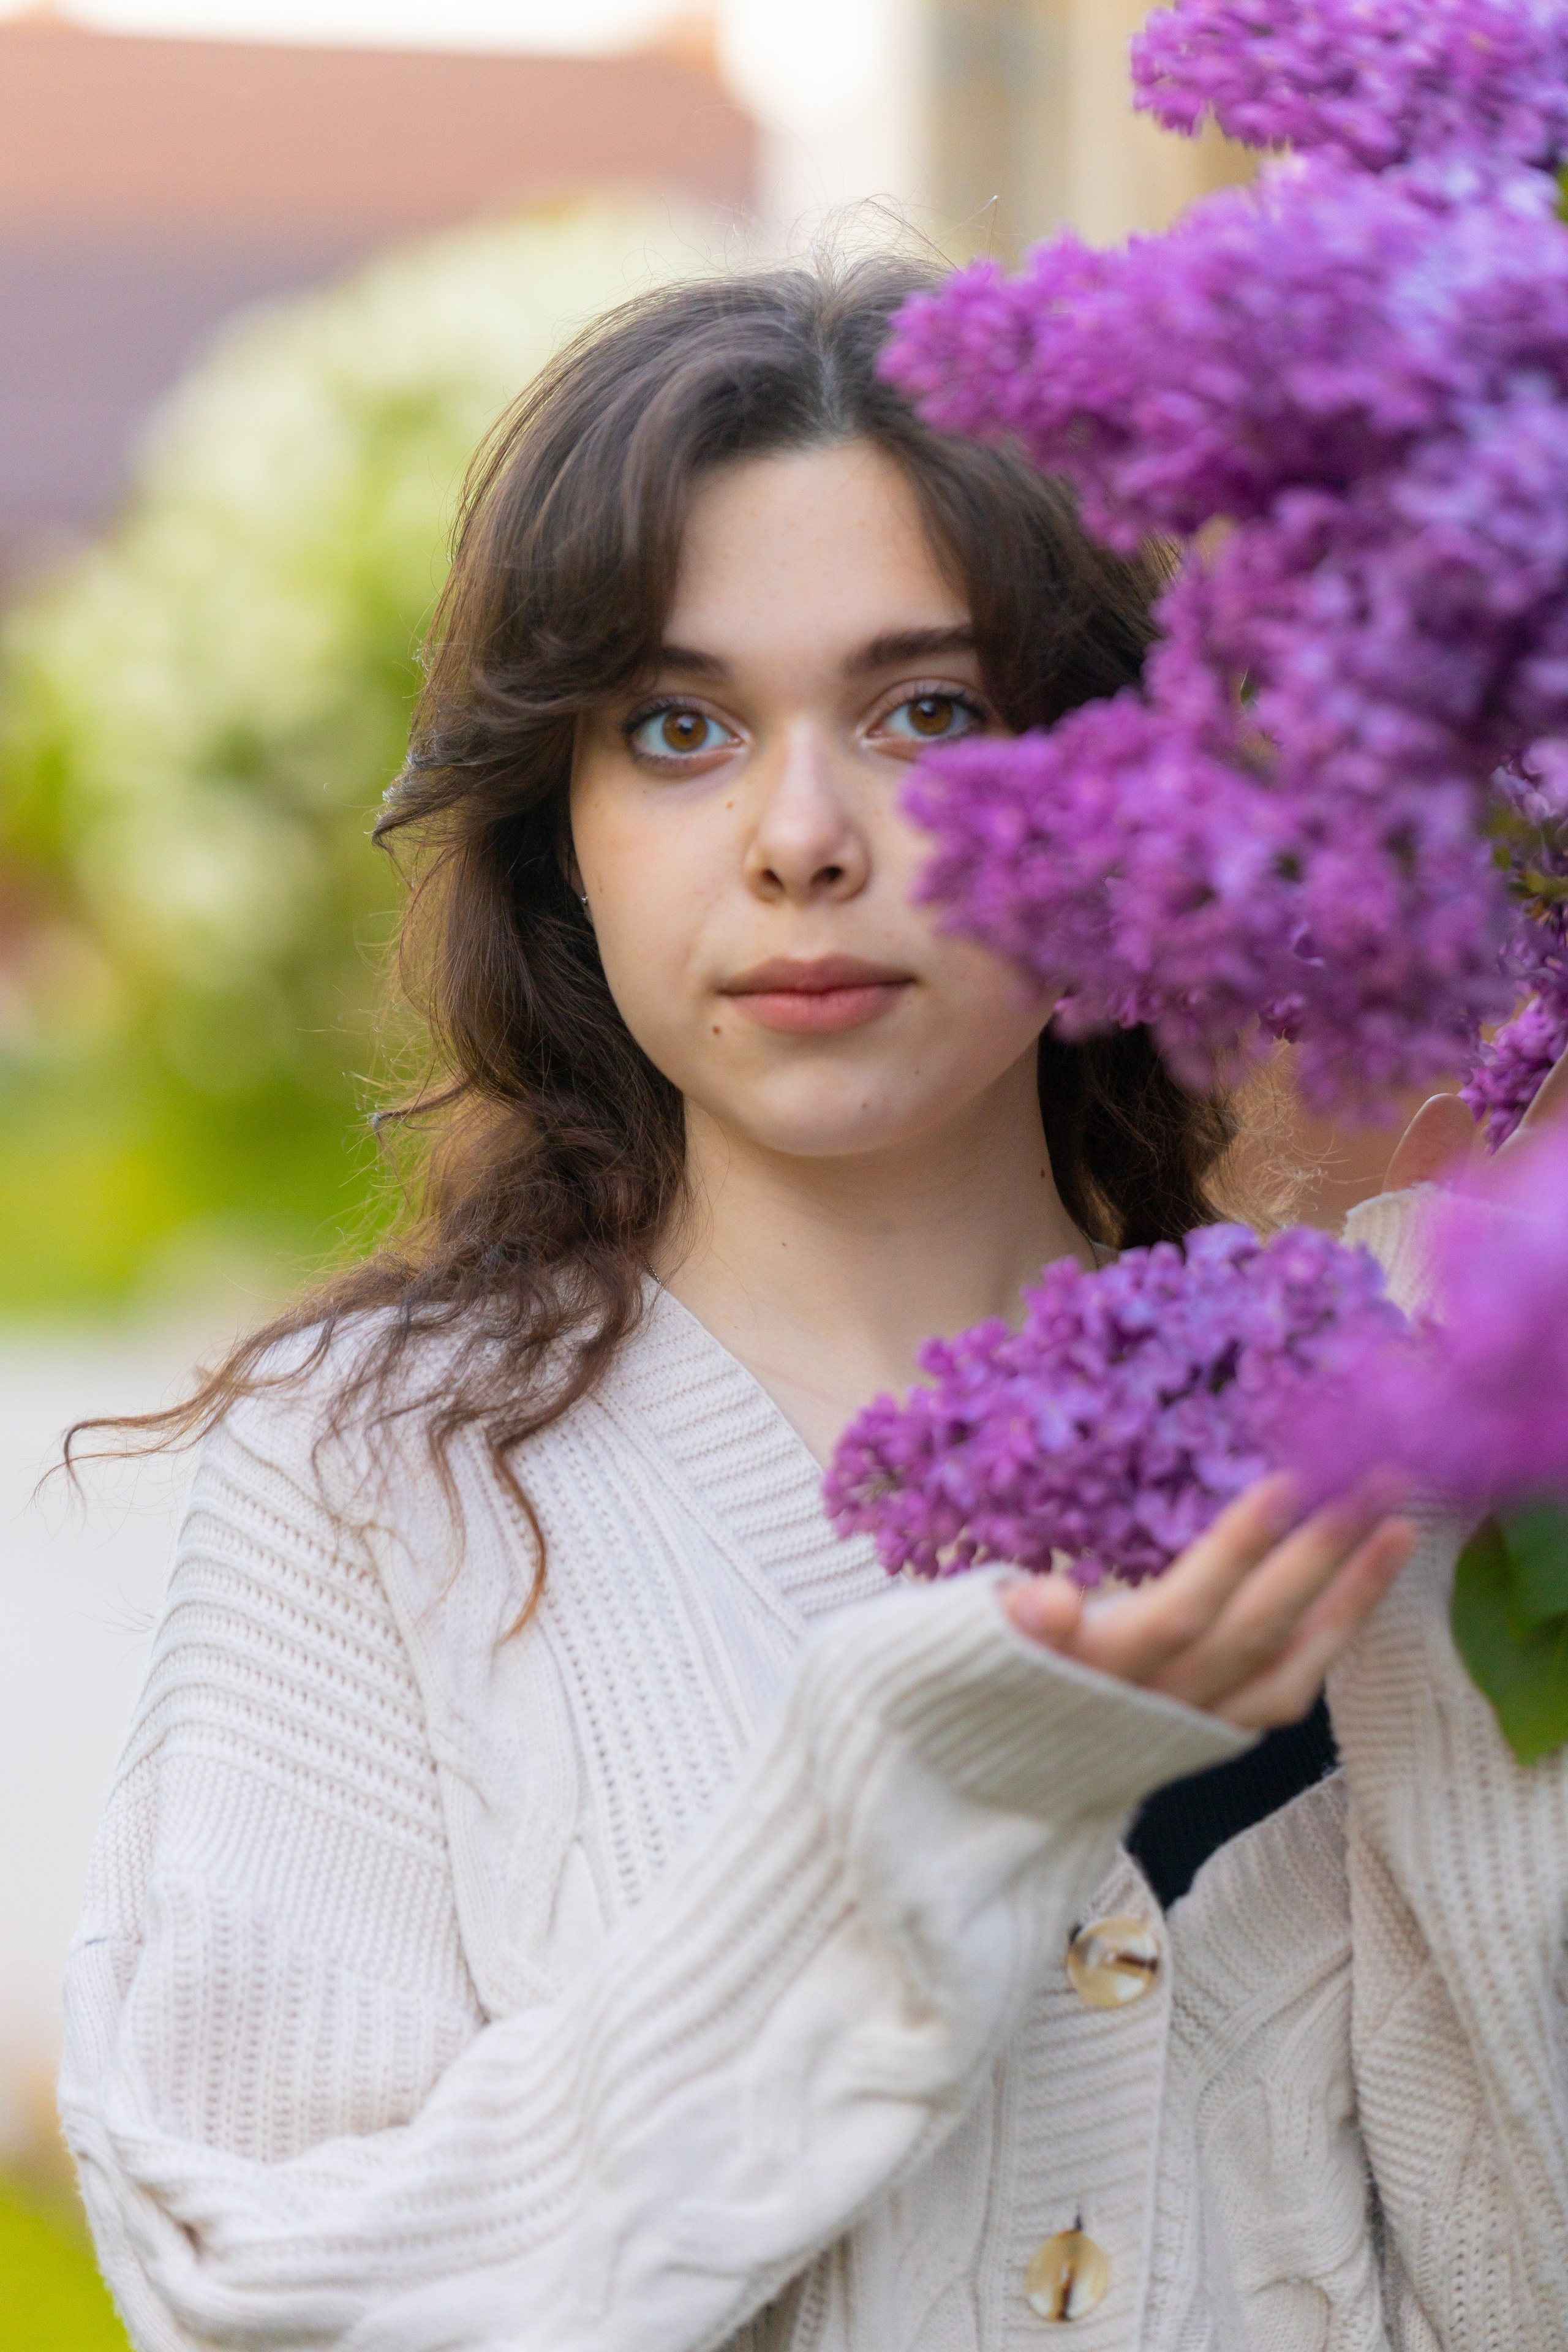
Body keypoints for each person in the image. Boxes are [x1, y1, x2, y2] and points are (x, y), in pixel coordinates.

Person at [59, 255, 1568, 2352]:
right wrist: (935, 1776)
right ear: (558, 833)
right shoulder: (374, 1483)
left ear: (1123, 791)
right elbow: (265, 2301)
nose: (798, 839)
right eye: (676, 730)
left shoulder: (1395, 1437)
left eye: (925, 712)